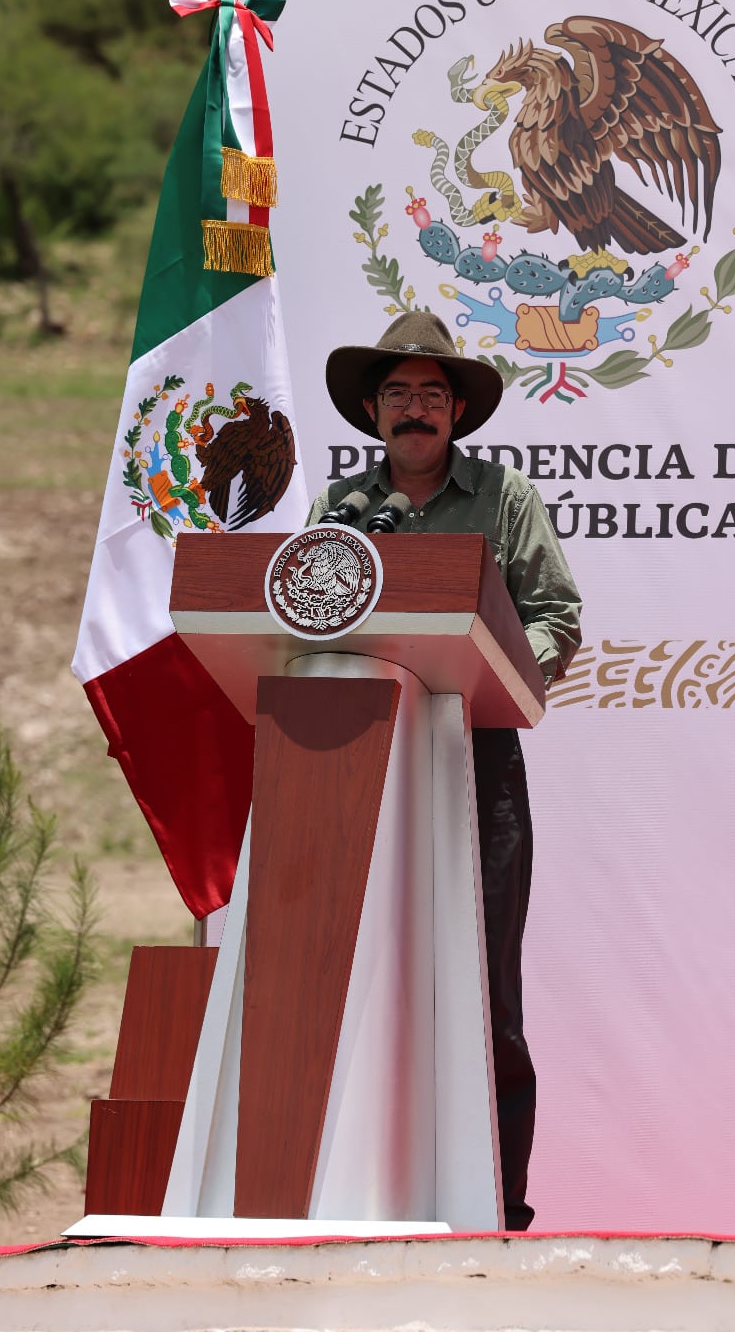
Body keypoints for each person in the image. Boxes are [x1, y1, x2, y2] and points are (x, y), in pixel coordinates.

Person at [308, 310, 582, 1230]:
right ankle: (350, 1192)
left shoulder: (503, 498)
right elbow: (299, 616)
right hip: (352, 766)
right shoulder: (341, 509)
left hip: (475, 763)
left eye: (431, 393)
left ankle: (497, 1206)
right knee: (351, 984)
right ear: (371, 411)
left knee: (483, 991)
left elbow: (554, 614)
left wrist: (496, 674)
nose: (414, 408)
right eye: (397, 393)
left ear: (457, 411)